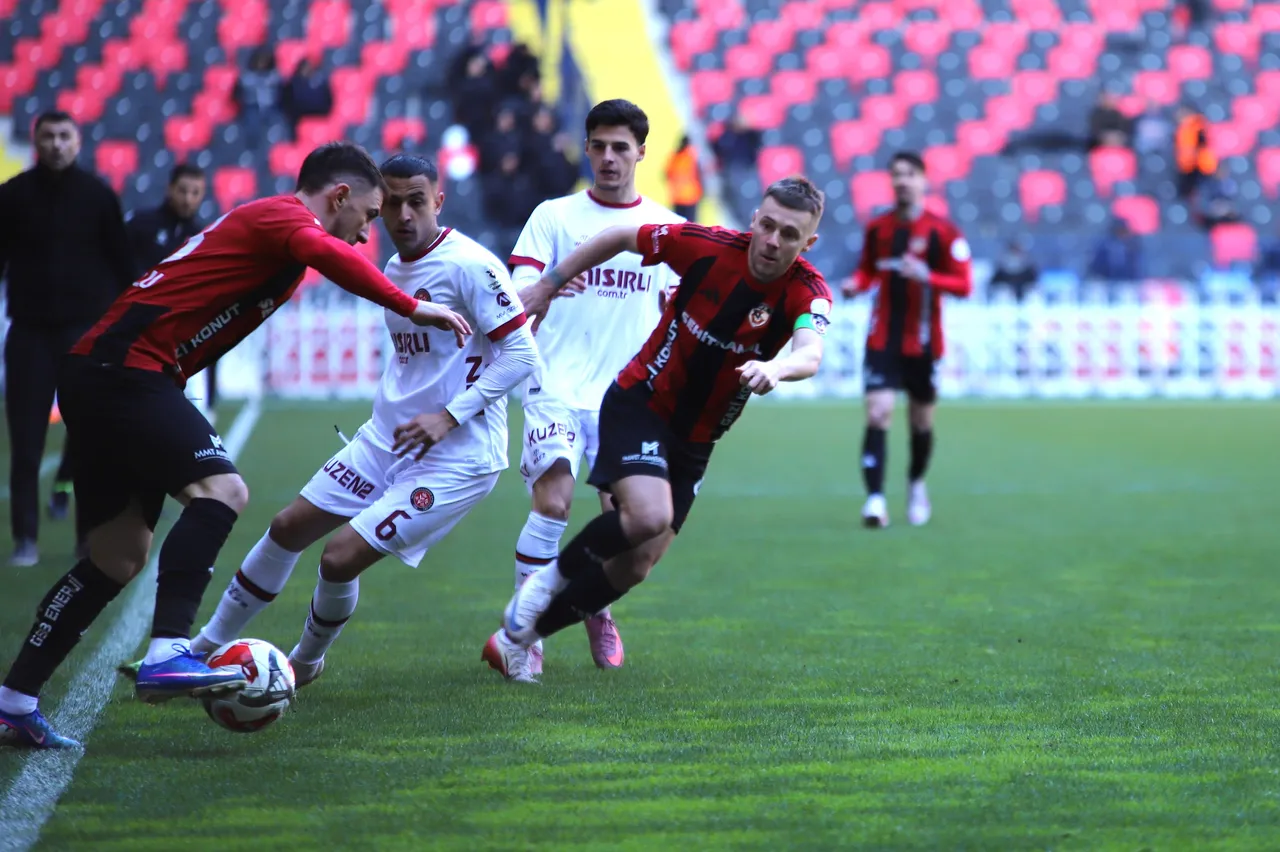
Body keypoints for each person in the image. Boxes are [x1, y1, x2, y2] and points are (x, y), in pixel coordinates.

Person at [0, 142, 470, 749]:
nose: (365, 235)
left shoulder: (280, 231)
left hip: (113, 372)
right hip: (123, 368)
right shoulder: (282, 219)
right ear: (340, 197)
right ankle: (170, 651)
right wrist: (412, 304)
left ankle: (14, 700)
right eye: (370, 217)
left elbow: (322, 252)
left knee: (116, 558)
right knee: (222, 490)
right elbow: (328, 251)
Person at [123, 154, 537, 687]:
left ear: (438, 201)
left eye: (417, 201)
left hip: (457, 456)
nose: (404, 215)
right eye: (392, 203)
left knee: (339, 558)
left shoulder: (471, 264)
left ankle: (304, 663)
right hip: (388, 440)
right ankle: (201, 649)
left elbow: (522, 356)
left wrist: (448, 417)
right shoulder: (391, 270)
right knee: (286, 527)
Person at [484, 176, 833, 683]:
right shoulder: (704, 245)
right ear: (754, 220)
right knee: (649, 515)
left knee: (635, 566)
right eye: (769, 226)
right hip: (641, 401)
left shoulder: (807, 291)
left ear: (808, 243)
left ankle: (519, 637)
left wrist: (776, 369)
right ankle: (540, 587)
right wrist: (548, 284)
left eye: (790, 235)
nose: (774, 242)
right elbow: (618, 237)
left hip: (696, 440)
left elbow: (811, 353)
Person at [502, 99, 684, 675]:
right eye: (599, 146)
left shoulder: (669, 229)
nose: (608, 158)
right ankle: (525, 636)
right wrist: (548, 288)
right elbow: (517, 294)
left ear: (640, 154)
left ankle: (594, 608)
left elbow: (681, 313)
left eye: (620, 148)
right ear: (586, 149)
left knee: (626, 530)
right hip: (553, 382)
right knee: (553, 500)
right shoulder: (554, 217)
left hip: (624, 399)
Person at [0, 110, 135, 566]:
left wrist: (128, 330)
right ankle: (25, 539)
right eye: (48, 136)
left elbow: (123, 267)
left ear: (78, 142)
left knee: (88, 441)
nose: (56, 144)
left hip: (86, 335)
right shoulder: (11, 196)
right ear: (35, 141)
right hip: (29, 334)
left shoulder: (98, 195)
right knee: (25, 441)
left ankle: (86, 539)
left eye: (64, 136)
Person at [840, 152, 973, 529]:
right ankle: (876, 500)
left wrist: (928, 276)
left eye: (909, 174)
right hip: (882, 339)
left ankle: (915, 483)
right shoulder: (878, 228)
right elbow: (867, 271)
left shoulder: (944, 232)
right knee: (878, 412)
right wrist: (855, 285)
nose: (902, 181)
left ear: (924, 181)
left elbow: (964, 285)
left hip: (925, 344)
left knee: (920, 423)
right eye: (896, 174)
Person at [125, 164, 220, 421]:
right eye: (183, 191)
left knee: (193, 420)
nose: (188, 199)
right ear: (169, 189)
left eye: (195, 192)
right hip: (141, 337)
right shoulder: (140, 226)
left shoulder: (205, 237)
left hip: (186, 341)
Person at [665, 134, 703, 221]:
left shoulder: (674, 156)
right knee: (691, 226)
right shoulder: (693, 156)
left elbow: (667, 174)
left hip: (677, 196)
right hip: (691, 196)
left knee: (678, 225)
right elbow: (700, 174)